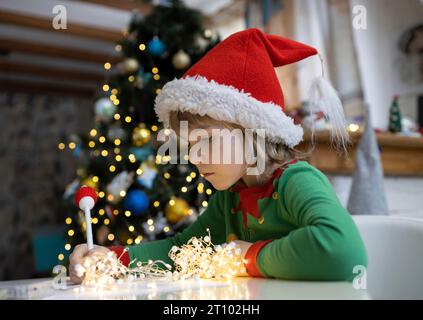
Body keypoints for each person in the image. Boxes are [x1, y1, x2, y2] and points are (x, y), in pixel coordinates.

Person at [70, 28, 367, 284]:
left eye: (207, 141)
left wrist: (248, 256)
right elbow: (181, 251)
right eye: (189, 145)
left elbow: (343, 251)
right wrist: (110, 258)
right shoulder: (231, 198)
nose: (195, 157)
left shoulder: (295, 181)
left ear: (255, 132)